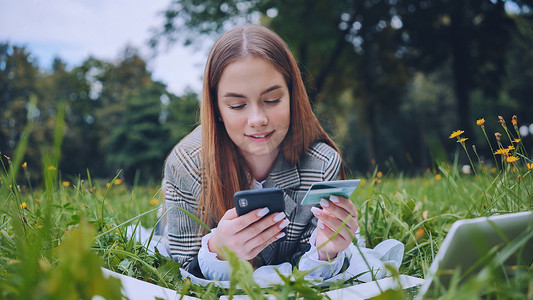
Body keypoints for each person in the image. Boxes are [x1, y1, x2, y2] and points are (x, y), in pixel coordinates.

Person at [163, 24, 359, 281]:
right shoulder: (186, 164)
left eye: (272, 100)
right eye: (237, 105)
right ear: (217, 109)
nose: (257, 119)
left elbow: (310, 269)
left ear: (292, 95)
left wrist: (326, 251)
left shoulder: (322, 164)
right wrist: (218, 251)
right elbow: (180, 267)